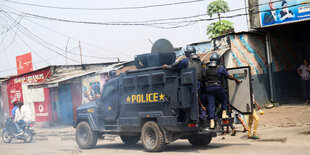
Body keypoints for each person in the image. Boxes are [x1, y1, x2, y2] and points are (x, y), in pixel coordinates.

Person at [205, 53, 241, 129]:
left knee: (211, 105)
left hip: (208, 88)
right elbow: (229, 76)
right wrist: (236, 80)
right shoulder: (221, 68)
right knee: (224, 99)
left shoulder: (206, 68)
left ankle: (212, 121)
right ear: (218, 60)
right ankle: (224, 113)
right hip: (218, 87)